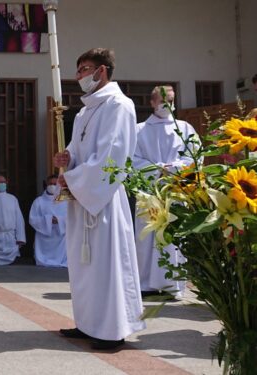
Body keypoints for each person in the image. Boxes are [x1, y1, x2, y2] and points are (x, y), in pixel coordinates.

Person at [53, 48, 145, 350]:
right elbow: (78, 152)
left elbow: (112, 157)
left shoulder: (119, 105)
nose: (79, 76)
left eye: (84, 69)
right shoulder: (83, 112)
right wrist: (66, 159)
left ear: (102, 71)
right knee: (83, 268)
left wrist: (76, 178)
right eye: (78, 70)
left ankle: (112, 331)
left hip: (103, 198)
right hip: (84, 197)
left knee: (106, 265)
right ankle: (88, 323)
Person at [132, 85, 198, 298]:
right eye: (162, 101)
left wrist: (174, 169)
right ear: (152, 103)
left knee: (173, 238)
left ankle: (173, 286)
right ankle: (145, 284)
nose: (167, 105)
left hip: (177, 190)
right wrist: (159, 169)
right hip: (149, 192)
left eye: (170, 100)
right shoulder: (139, 129)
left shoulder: (185, 128)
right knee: (147, 237)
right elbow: (132, 159)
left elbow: (195, 156)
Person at [29, 175, 68, 267]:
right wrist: (49, 220)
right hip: (44, 236)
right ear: (46, 184)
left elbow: (73, 217)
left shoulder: (66, 199)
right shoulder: (39, 201)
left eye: (55, 184)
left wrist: (59, 220)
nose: (52, 186)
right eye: (50, 183)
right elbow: (33, 219)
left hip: (61, 236)